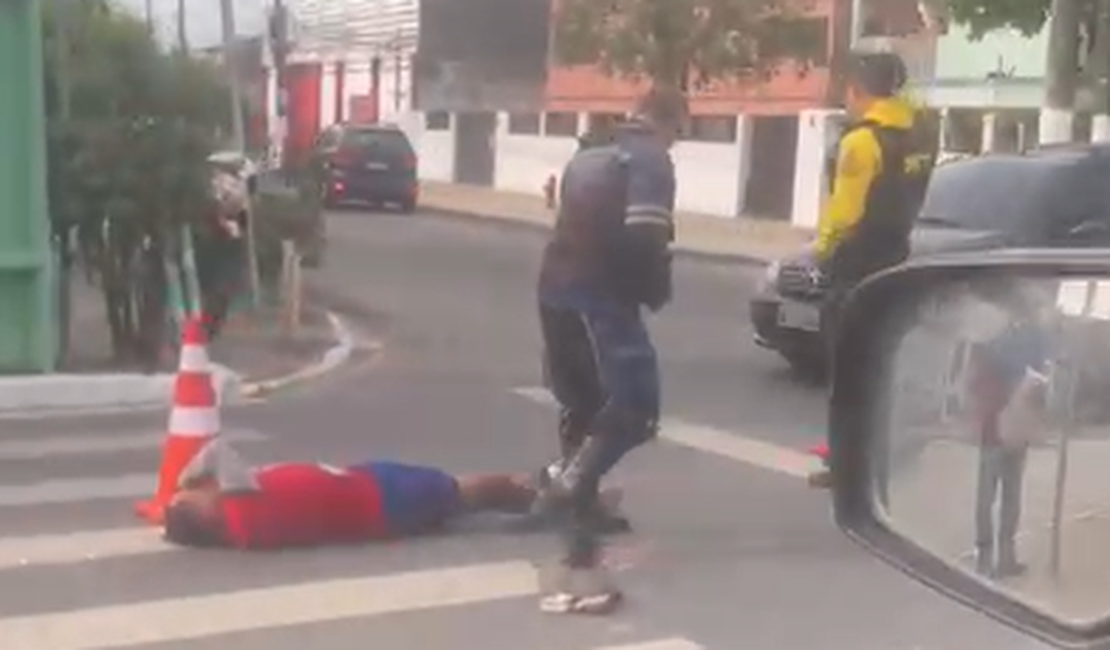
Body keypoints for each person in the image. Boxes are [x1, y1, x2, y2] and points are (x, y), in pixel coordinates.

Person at [534, 86, 686, 613]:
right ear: (669, 123)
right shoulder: (652, 161)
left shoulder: (591, 152)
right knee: (635, 408)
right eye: (680, 131)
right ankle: (567, 481)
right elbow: (646, 238)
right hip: (600, 298)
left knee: (583, 407)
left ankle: (579, 557)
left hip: (554, 291)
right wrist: (653, 288)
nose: (676, 142)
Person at [808, 51, 934, 489]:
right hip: (896, 255)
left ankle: (846, 462)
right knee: (883, 362)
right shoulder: (920, 134)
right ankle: (881, 454)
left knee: (847, 367)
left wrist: (821, 250)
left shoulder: (861, 142)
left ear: (857, 91)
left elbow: (845, 210)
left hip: (855, 262)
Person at [162, 438, 623, 550]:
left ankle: (563, 498)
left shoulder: (239, 523)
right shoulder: (238, 508)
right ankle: (576, 498)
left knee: (473, 497)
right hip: (380, 496)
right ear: (201, 514)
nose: (199, 490)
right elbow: (217, 450)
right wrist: (184, 478)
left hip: (373, 495)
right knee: (479, 487)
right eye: (191, 499)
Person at [967, 285, 1052, 578]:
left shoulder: (994, 341)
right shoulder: (1027, 341)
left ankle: (990, 557)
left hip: (1000, 424)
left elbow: (975, 382)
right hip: (1006, 424)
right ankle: (998, 556)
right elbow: (1040, 379)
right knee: (1005, 494)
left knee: (993, 493)